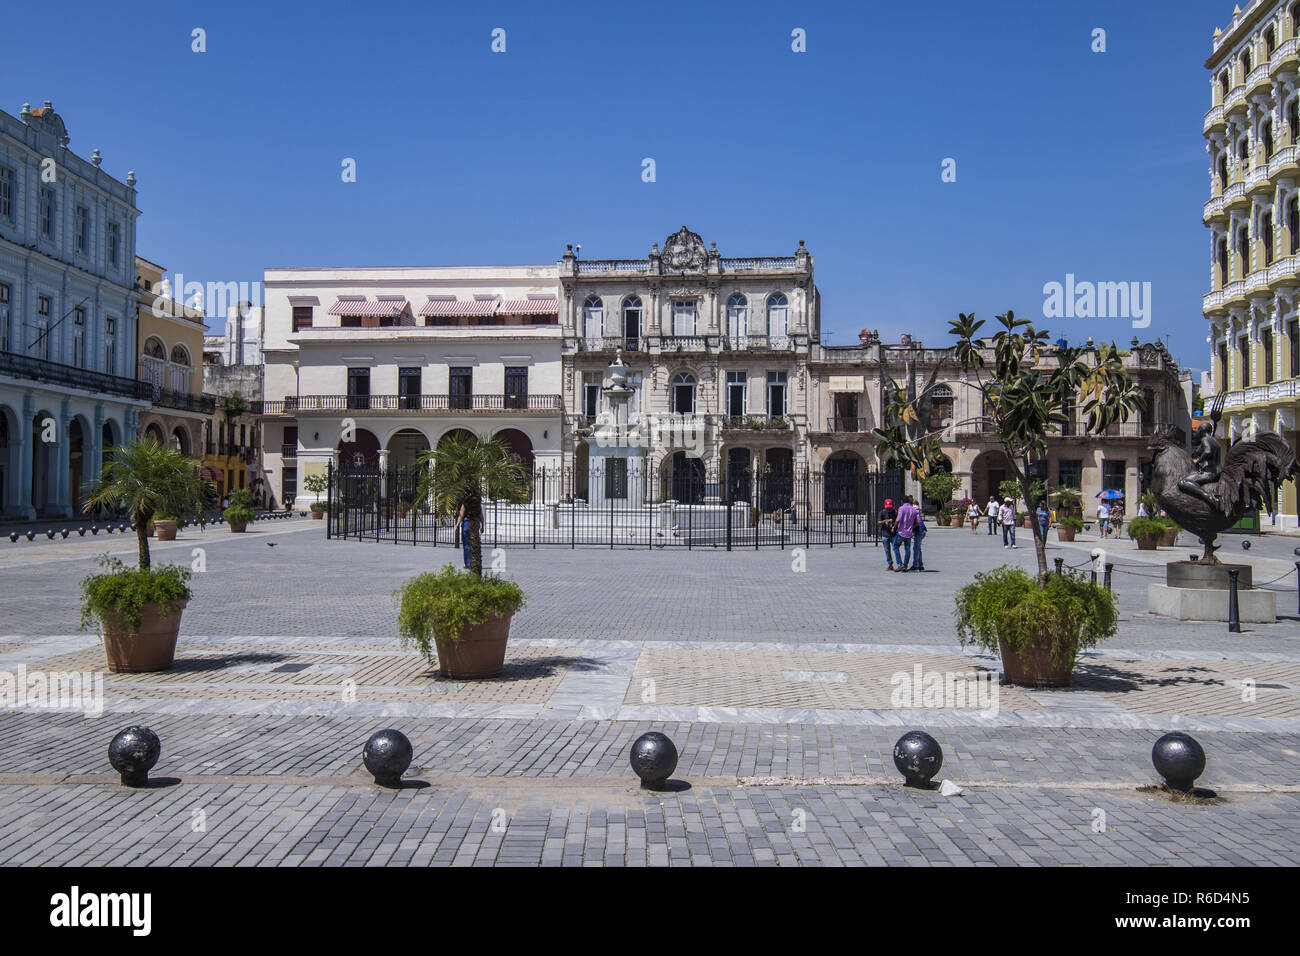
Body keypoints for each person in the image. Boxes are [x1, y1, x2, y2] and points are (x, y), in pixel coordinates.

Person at [893, 495, 918, 571]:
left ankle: (900, 564)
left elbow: (898, 519)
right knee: (907, 548)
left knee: (895, 546)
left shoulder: (901, 508)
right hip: (909, 533)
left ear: (902, 501)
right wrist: (911, 527)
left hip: (901, 532)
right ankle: (905, 565)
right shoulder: (914, 509)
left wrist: (894, 527)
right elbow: (917, 522)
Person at [456, 501, 481, 570]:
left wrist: (457, 525)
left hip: (467, 523)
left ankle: (468, 563)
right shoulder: (477, 503)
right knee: (475, 543)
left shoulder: (465, 503)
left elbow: (461, 514)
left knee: (466, 545)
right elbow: (480, 514)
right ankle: (475, 562)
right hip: (476, 523)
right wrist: (483, 525)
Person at [878, 498, 898, 571]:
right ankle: (890, 564)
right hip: (885, 534)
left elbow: (898, 521)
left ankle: (899, 563)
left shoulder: (895, 512)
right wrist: (884, 521)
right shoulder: (882, 512)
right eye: (887, 508)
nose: (889, 509)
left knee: (895, 549)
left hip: (893, 534)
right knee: (887, 550)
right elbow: (878, 522)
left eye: (890, 507)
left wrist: (894, 527)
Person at [910, 501, 927, 571]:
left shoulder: (914, 512)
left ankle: (915, 565)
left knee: (916, 548)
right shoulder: (917, 511)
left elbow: (918, 522)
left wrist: (912, 528)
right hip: (922, 531)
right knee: (918, 548)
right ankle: (920, 564)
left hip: (919, 531)